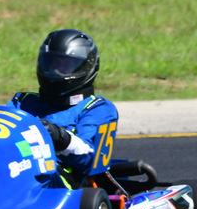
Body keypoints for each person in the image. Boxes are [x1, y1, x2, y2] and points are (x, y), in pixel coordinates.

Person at [7, 29, 119, 188]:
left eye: (65, 65)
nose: (56, 71)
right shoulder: (23, 102)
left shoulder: (96, 108)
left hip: (59, 183)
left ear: (85, 68)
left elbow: (94, 160)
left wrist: (60, 137)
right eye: (51, 64)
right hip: (13, 168)